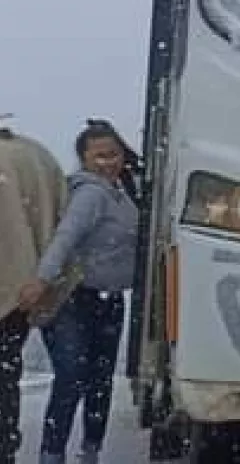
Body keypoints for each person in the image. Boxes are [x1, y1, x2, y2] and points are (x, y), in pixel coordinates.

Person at [18, 121, 138, 464]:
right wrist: (41, 280)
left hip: (109, 299)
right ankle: (52, 453)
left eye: (113, 154)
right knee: (72, 376)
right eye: (99, 156)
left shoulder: (121, 194)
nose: (108, 162)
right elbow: (65, 238)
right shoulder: (90, 193)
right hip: (75, 298)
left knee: (100, 380)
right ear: (84, 159)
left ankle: (90, 451)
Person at [0, 115, 67, 464]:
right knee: (6, 374)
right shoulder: (38, 157)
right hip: (25, 291)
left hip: (13, 283)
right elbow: (61, 219)